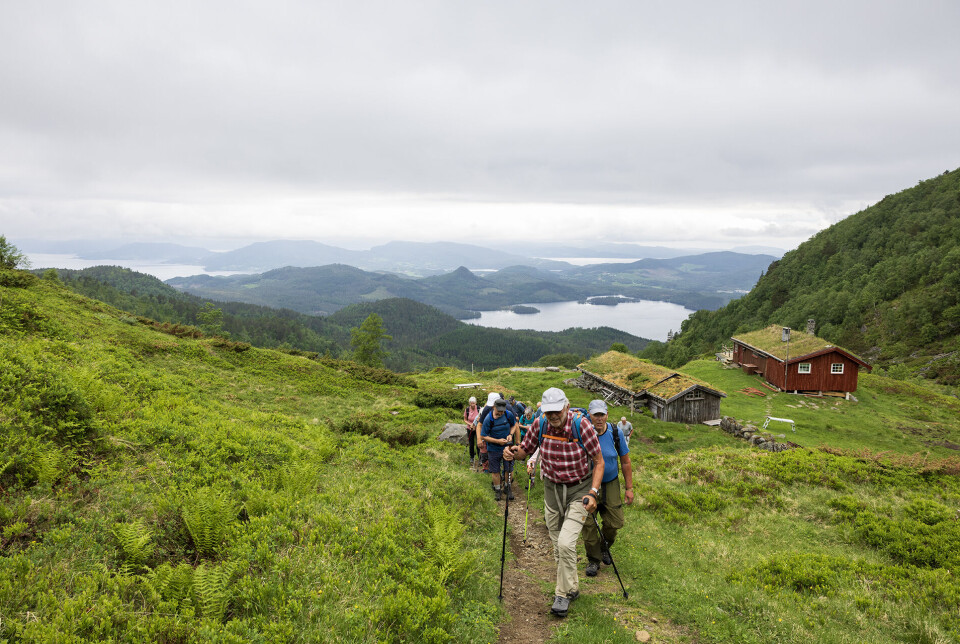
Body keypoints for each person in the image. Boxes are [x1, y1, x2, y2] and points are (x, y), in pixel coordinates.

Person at [505, 387, 603, 618]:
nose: (553, 416)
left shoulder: (582, 426)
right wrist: (512, 452)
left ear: (566, 407)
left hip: (579, 490)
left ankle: (562, 594)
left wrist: (593, 492)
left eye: (557, 411)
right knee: (558, 545)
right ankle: (572, 586)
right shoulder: (540, 424)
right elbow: (525, 450)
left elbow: (599, 461)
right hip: (551, 491)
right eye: (549, 412)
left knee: (566, 543)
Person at [582, 400, 633, 577]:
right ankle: (593, 560)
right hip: (587, 484)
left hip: (611, 482)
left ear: (607, 415)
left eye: (602, 415)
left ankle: (604, 548)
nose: (599, 418)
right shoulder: (583, 433)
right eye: (595, 415)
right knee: (588, 525)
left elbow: (625, 462)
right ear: (589, 414)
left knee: (615, 522)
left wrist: (629, 488)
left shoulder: (615, 433)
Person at [481, 398, 519, 500]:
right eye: (499, 411)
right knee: (495, 470)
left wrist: (510, 434)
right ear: (494, 407)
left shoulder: (508, 414)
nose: (501, 413)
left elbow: (514, 425)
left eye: (502, 411)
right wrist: (497, 441)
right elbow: (483, 436)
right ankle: (498, 490)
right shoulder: (488, 419)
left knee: (508, 469)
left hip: (507, 447)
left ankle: (507, 487)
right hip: (493, 448)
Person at [473, 392, 501, 473]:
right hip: (486, 434)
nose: (492, 407)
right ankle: (486, 468)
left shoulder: (507, 409)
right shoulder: (487, 409)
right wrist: (479, 439)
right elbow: (479, 424)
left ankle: (498, 469)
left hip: (499, 434)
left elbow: (514, 424)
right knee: (484, 452)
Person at [463, 396, 481, 470]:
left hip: (478, 428)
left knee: (478, 443)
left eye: (473, 403)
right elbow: (465, 419)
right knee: (471, 443)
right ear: (469, 403)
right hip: (470, 428)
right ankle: (471, 457)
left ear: (476, 403)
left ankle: (480, 458)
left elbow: (482, 418)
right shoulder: (467, 410)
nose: (472, 404)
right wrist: (470, 424)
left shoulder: (479, 409)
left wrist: (477, 424)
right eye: (471, 403)